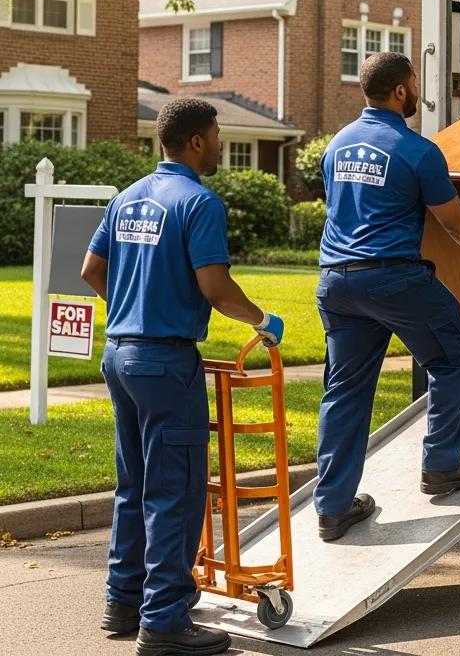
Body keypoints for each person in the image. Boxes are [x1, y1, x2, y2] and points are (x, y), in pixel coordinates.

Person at [81, 97, 284, 656]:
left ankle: (122, 601)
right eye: (216, 135)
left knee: (135, 485)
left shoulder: (126, 198)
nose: (220, 144)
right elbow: (215, 287)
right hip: (166, 363)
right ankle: (166, 620)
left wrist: (133, 306)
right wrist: (263, 321)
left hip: (120, 354)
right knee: (176, 492)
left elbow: (91, 270)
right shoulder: (200, 201)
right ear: (196, 141)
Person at [314, 51, 460, 541]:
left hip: (336, 282)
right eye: (414, 82)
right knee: (453, 355)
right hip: (393, 279)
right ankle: (443, 464)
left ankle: (333, 507)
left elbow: (348, 210)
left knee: (344, 390)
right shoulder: (417, 150)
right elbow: (453, 221)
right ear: (402, 90)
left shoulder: (336, 146)